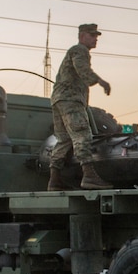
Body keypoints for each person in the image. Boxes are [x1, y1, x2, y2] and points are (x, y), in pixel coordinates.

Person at [49, 23, 112, 191]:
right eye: (92, 36)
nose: (95, 39)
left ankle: (54, 180)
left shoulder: (73, 50)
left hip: (58, 100)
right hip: (71, 100)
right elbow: (82, 68)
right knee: (82, 134)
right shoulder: (79, 50)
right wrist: (99, 81)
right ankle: (89, 176)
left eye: (96, 36)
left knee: (64, 139)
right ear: (83, 36)